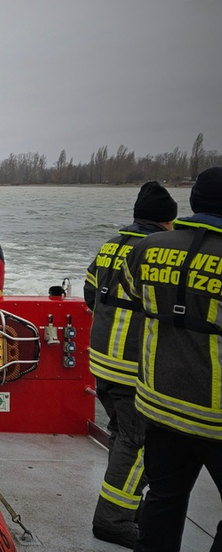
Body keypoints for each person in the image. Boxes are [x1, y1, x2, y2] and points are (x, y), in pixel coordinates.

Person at [120, 167, 222, 552]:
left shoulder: (147, 248)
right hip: (215, 414)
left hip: (158, 403)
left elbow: (133, 295)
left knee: (164, 497)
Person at [85, 181, 178, 548]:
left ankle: (121, 501)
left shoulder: (110, 246)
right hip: (132, 365)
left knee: (122, 434)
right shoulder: (155, 251)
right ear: (166, 222)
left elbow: (91, 292)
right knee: (137, 442)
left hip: (102, 361)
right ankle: (114, 518)